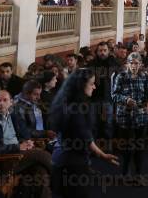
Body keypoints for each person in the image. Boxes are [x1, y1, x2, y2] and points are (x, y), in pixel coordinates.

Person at [50, 68, 119, 198]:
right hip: (72, 164)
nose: (94, 87)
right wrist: (102, 155)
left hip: (59, 159)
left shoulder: (65, 102)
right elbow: (86, 138)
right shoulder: (77, 109)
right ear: (81, 85)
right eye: (91, 83)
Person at [0, 91, 52, 197]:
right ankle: (59, 177)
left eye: (5, 100)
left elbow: (26, 133)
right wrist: (18, 146)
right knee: (40, 155)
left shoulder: (13, 117)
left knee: (40, 172)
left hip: (20, 156)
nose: (1, 103)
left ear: (11, 103)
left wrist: (26, 142)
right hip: (4, 161)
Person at [112, 52, 148, 178]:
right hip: (125, 117)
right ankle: (125, 172)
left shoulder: (145, 76)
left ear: (141, 64)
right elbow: (114, 95)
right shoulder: (120, 76)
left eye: (136, 63)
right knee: (126, 147)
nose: (134, 66)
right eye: (131, 63)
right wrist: (126, 100)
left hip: (141, 116)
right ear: (127, 63)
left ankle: (138, 173)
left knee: (139, 146)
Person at [86, 42, 118, 139]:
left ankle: (107, 148)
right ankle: (94, 148)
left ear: (108, 51)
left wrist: (111, 58)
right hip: (93, 99)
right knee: (93, 124)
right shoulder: (92, 63)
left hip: (107, 99)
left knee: (107, 124)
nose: (102, 53)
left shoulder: (112, 62)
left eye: (105, 50)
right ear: (97, 52)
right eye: (100, 51)